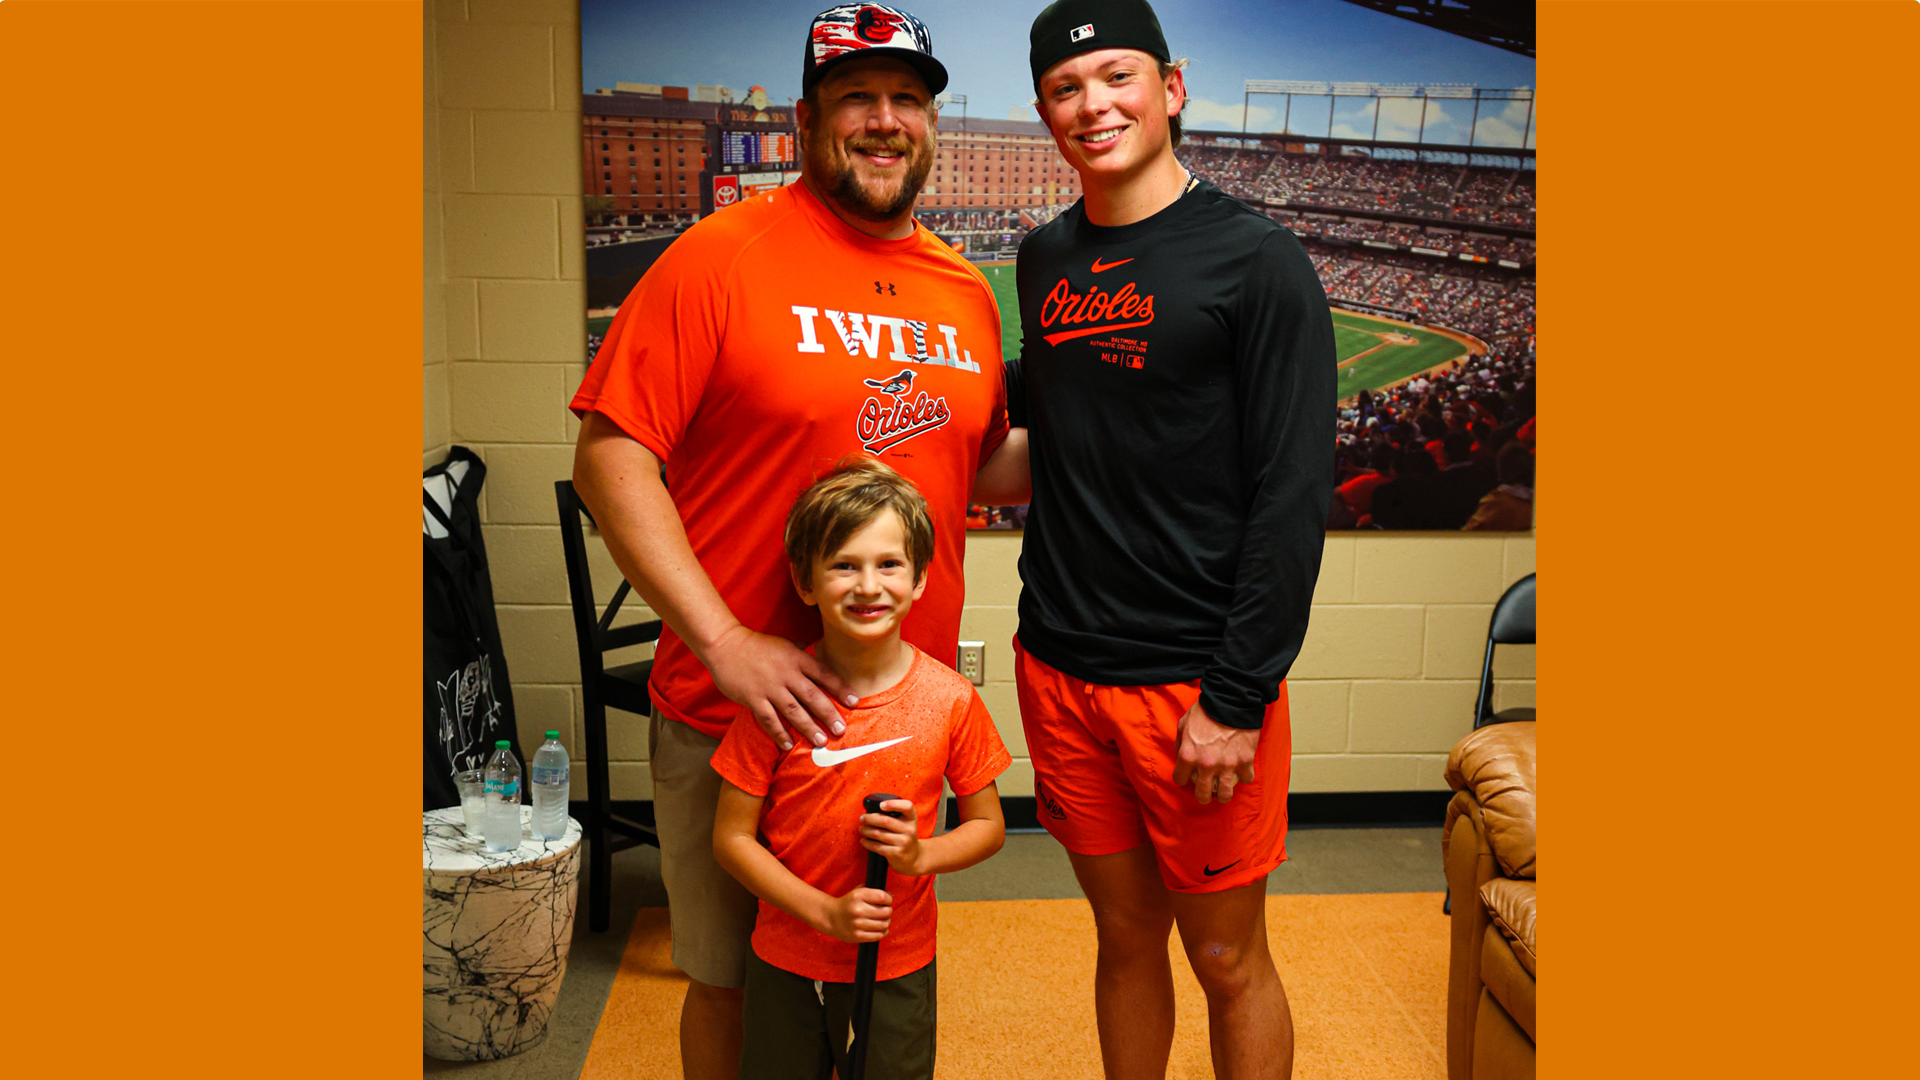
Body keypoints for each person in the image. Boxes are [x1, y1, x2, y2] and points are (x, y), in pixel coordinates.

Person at [568, 7, 1027, 1076]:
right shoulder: (719, 255)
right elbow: (610, 457)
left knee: (883, 986)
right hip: (740, 714)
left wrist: (1142, 437)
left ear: (930, 119)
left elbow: (979, 461)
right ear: (807, 116)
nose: (885, 120)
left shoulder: (962, 288)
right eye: (858, 97)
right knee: (732, 990)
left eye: (907, 98)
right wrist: (726, 641)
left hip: (898, 722)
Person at [1005, 1, 1337, 1076]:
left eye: (1117, 76)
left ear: (1172, 86)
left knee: (1229, 958)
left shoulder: (1259, 259)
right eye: (1066, 87)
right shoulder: (1045, 256)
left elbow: (1292, 497)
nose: (1092, 104)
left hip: (1193, 683)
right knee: (1122, 937)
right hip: (1058, 662)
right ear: (1045, 110)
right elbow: (1051, 444)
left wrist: (1236, 699)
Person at [711, 458, 1009, 1080]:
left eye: (889, 564)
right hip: (786, 953)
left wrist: (920, 856)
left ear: (921, 579)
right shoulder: (780, 699)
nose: (868, 585)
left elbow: (988, 826)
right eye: (844, 564)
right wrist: (822, 913)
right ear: (806, 582)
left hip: (897, 956)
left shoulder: (950, 698)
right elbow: (731, 838)